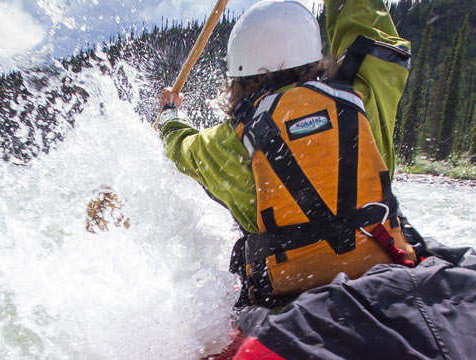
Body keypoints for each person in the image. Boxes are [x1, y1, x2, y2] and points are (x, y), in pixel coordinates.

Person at [154, 0, 453, 358]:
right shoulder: (364, 93)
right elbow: (368, 23)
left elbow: (182, 147)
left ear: (240, 78)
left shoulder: (230, 142)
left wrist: (170, 113)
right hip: (392, 292)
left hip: (294, 320)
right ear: (314, 58)